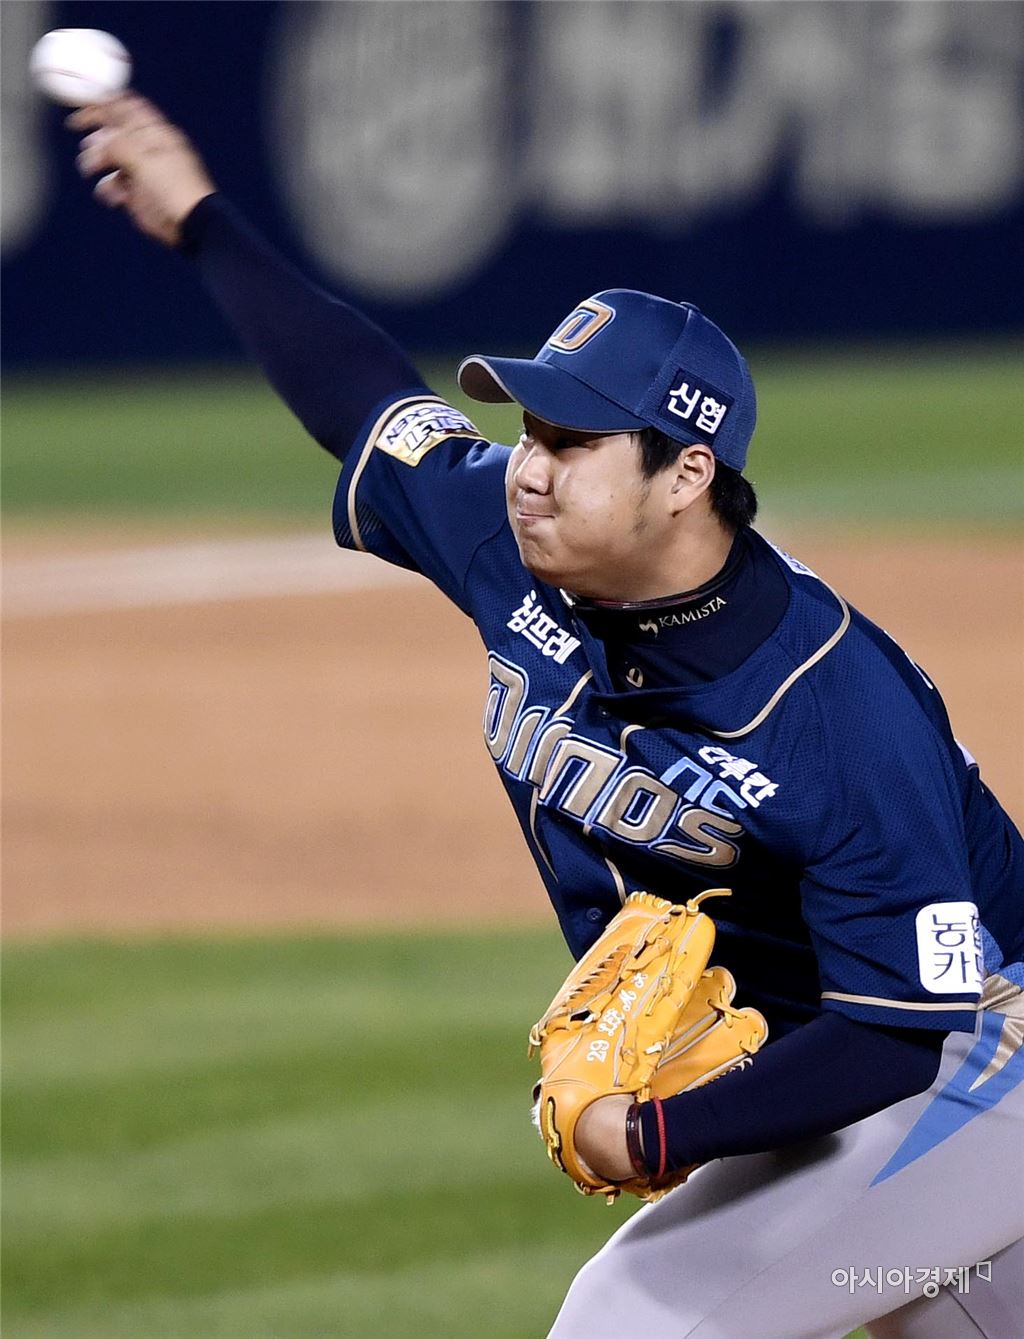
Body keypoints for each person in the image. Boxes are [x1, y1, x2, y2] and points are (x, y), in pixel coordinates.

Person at [69, 96, 1024, 1338]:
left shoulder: (833, 710)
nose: (527, 466)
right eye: (529, 429)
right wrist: (201, 219)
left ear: (685, 474)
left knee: (634, 1318)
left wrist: (657, 1132)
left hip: (973, 1049)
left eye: (574, 441)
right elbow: (364, 398)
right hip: (858, 1051)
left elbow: (896, 1032)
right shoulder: (508, 537)